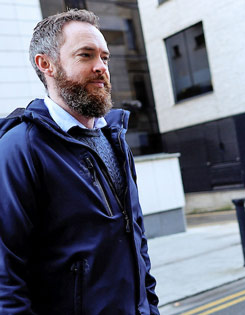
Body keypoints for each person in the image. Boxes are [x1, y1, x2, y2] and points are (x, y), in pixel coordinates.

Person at [0, 9, 159, 314]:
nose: (101, 67)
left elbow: (137, 240)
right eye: (86, 55)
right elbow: (6, 280)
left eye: (105, 57)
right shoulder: (19, 148)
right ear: (46, 64)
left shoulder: (114, 139)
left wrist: (149, 307)